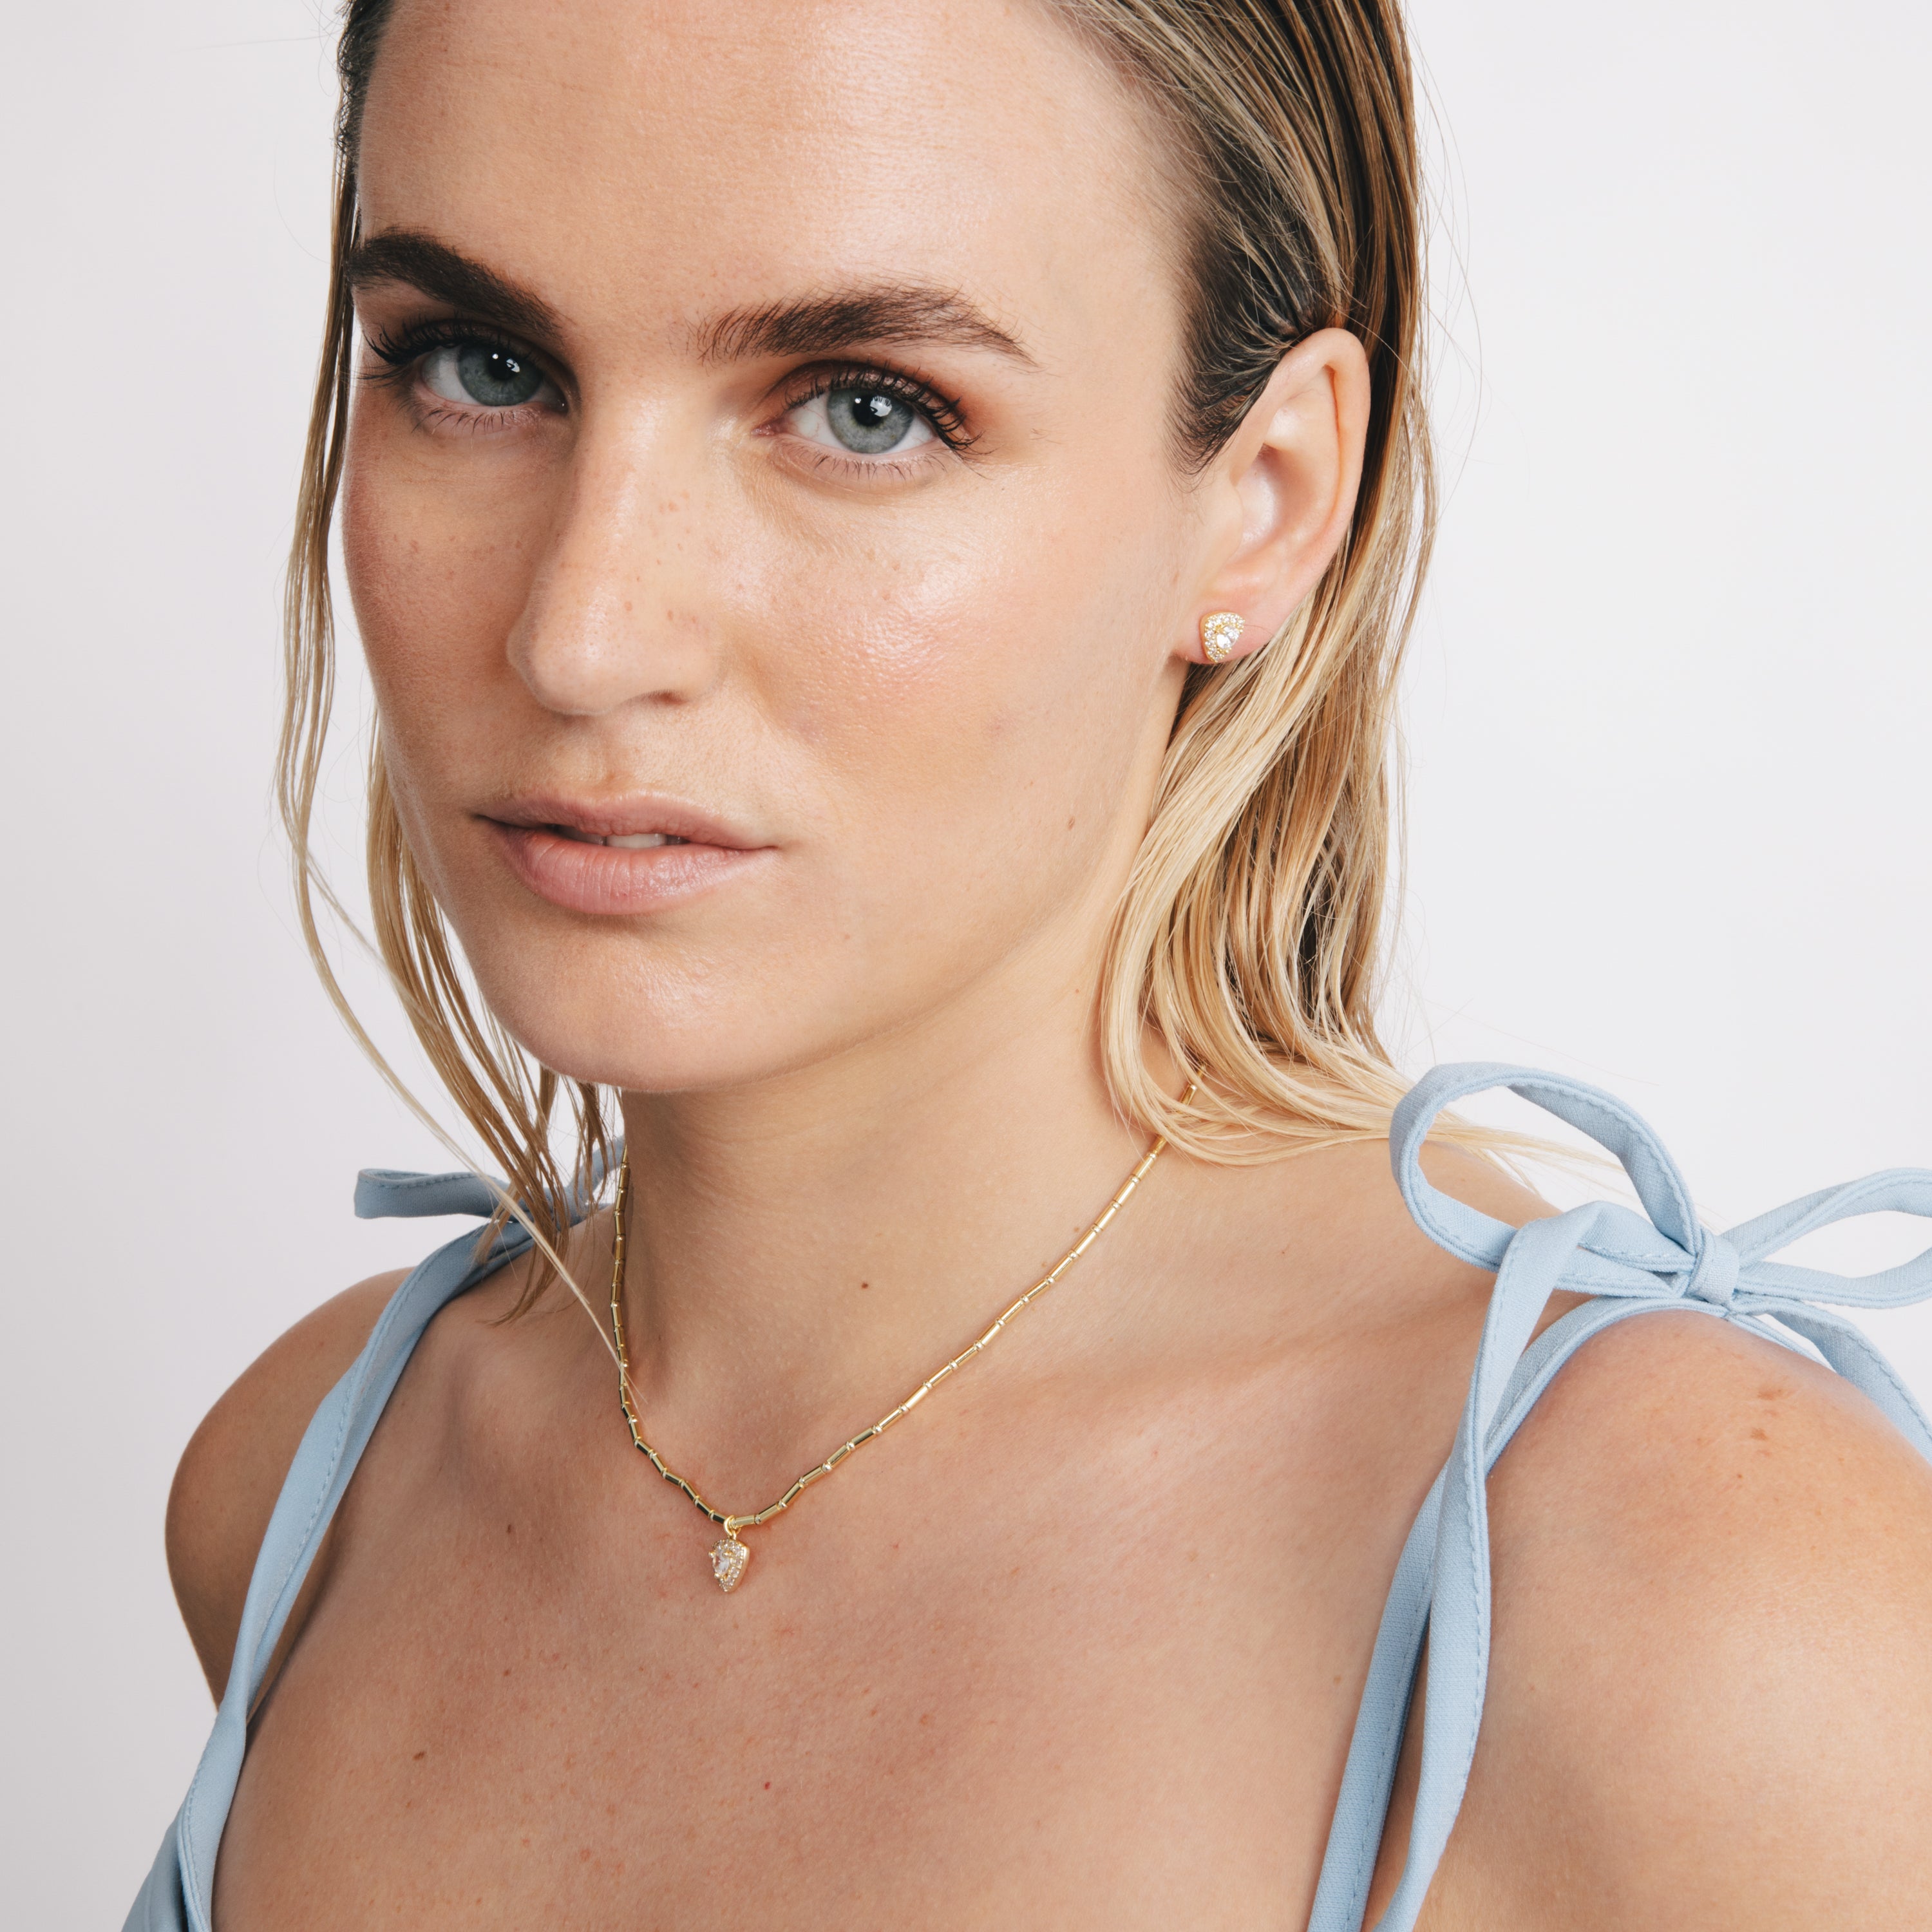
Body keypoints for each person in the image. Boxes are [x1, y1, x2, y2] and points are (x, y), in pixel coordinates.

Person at [132, 1, 1932, 1926]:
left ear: (1265, 500)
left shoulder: (1701, 1606)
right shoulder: (307, 1490)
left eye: (865, 407)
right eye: (479, 367)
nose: (582, 632)